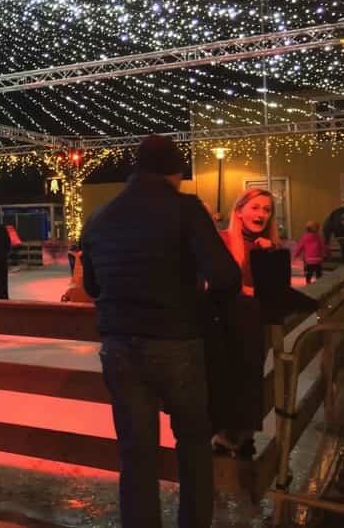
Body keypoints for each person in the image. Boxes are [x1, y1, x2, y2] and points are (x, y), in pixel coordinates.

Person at [80, 135, 240, 528]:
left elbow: (94, 287)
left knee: (137, 454)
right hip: (176, 342)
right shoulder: (185, 209)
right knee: (193, 445)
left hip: (119, 345)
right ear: (176, 173)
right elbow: (225, 277)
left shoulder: (100, 217)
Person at [208, 188, 282, 459]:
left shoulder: (271, 246)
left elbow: (275, 291)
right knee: (227, 380)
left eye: (266, 209)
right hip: (225, 327)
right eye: (255, 207)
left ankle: (244, 436)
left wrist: (269, 257)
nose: (261, 214)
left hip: (255, 326)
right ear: (239, 211)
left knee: (251, 379)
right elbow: (213, 282)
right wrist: (245, 291)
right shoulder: (224, 241)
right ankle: (224, 436)